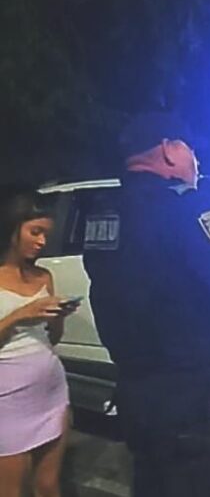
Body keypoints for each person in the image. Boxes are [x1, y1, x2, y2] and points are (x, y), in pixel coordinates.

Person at [82, 112, 210, 497]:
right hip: (193, 396)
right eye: (191, 150)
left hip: (136, 391)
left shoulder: (104, 212)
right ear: (168, 150)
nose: (196, 161)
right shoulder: (189, 209)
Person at [0, 187, 80, 497]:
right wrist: (20, 315)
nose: (42, 242)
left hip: (51, 392)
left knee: (48, 486)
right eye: (35, 232)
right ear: (12, 228)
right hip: (8, 399)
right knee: (11, 490)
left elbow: (53, 339)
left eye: (46, 234)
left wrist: (58, 317)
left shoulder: (44, 276)